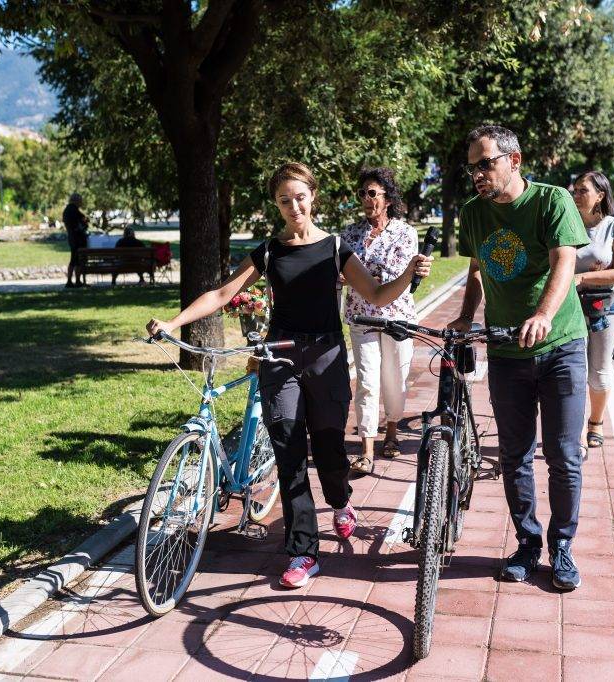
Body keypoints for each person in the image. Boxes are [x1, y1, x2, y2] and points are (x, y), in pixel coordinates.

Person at [146, 162, 431, 589]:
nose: (293, 205)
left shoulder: (336, 247)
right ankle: (303, 551)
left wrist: (409, 276)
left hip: (326, 357)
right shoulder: (269, 251)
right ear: (276, 204)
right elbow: (224, 293)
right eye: (284, 199)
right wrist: (172, 323)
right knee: (290, 455)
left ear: (312, 196)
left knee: (331, 452)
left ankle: (339, 502)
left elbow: (374, 294)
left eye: (300, 196)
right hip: (279, 358)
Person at [448, 125, 590, 591]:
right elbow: (475, 269)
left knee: (565, 456)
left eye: (486, 163)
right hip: (507, 348)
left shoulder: (551, 201)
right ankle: (528, 544)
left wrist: (544, 314)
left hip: (560, 345)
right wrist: (467, 316)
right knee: (514, 455)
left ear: (515, 160)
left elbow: (564, 261)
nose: (478, 174)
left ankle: (562, 545)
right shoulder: (473, 212)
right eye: (472, 167)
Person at [341, 167, 418, 476]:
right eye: (362, 193)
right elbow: (342, 273)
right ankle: (367, 448)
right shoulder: (349, 233)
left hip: (397, 318)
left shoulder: (405, 232)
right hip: (361, 317)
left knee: (394, 381)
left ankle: (392, 432)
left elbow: (400, 275)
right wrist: (367, 275)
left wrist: (360, 274)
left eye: (372, 193)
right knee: (367, 382)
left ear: (388, 199)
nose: (366, 199)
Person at [571, 171, 614, 449]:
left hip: (606, 307)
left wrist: (583, 278)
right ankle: (572, 428)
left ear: (600, 195)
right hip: (570, 307)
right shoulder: (567, 223)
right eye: (575, 190)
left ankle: (595, 423)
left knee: (599, 371)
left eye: (583, 190)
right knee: (571, 370)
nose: (576, 195)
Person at [63, 192, 89, 288]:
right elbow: (82, 222)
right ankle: (77, 281)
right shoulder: (74, 210)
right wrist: (85, 222)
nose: (81, 203)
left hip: (71, 237)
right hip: (77, 238)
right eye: (80, 200)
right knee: (77, 260)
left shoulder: (67, 210)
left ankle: (70, 281)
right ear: (76, 200)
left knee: (73, 260)